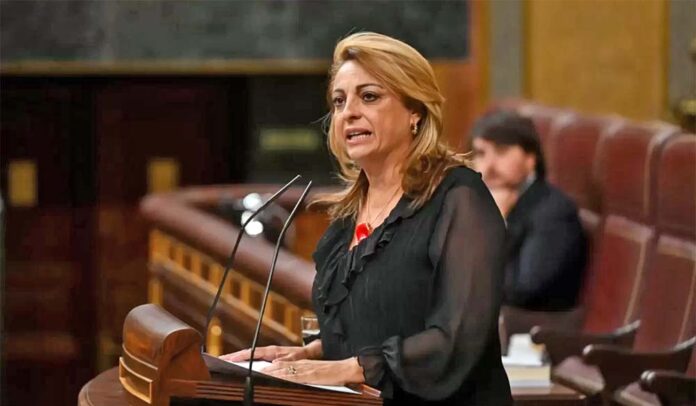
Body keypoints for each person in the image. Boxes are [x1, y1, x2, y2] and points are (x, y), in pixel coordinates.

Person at [221, 32, 512, 405]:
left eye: (369, 96)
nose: (349, 112)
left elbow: (457, 338)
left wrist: (347, 368)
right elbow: (379, 322)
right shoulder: (347, 215)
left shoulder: (459, 199)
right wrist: (310, 354)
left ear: (415, 112)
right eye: (339, 101)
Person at [470, 111, 587, 311]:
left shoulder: (554, 212)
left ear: (531, 158)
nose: (488, 167)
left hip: (528, 330)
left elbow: (519, 291)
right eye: (481, 154)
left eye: (501, 151)